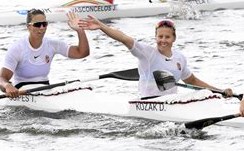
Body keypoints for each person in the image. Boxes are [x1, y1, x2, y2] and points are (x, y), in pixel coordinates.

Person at [79, 16, 233, 99]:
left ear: (174, 39)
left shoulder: (180, 58)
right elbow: (124, 38)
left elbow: (193, 81)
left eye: (167, 37)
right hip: (148, 103)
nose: (163, 40)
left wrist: (219, 91)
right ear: (155, 37)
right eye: (160, 36)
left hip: (171, 103)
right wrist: (102, 27)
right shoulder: (148, 54)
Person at [0, 11, 89, 98]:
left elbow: (82, 53)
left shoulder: (52, 44)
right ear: (28, 27)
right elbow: (1, 79)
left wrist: (80, 30)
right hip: (22, 89)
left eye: (44, 24)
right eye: (37, 24)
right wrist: (7, 86)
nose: (42, 28)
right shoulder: (17, 48)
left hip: (45, 88)